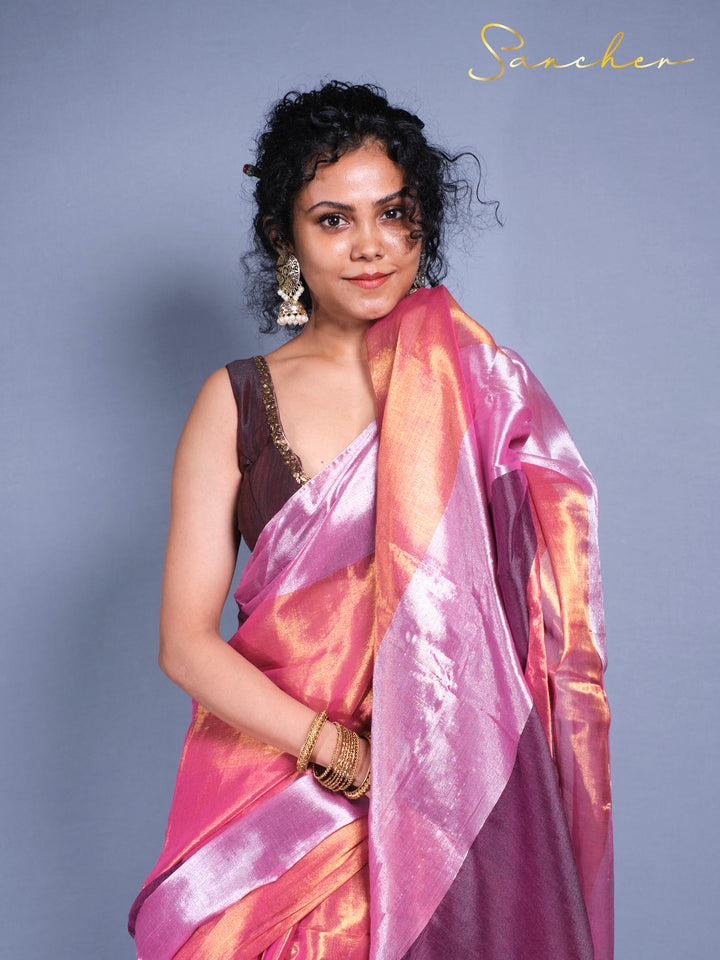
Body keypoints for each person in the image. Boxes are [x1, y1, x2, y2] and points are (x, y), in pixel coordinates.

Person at [129, 81, 613, 960]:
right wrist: (340, 755)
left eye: (394, 214)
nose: (371, 247)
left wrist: (425, 754)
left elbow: (535, 616)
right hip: (273, 797)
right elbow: (185, 642)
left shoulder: (477, 387)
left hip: (445, 782)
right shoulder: (237, 401)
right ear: (286, 235)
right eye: (334, 220)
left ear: (422, 222)